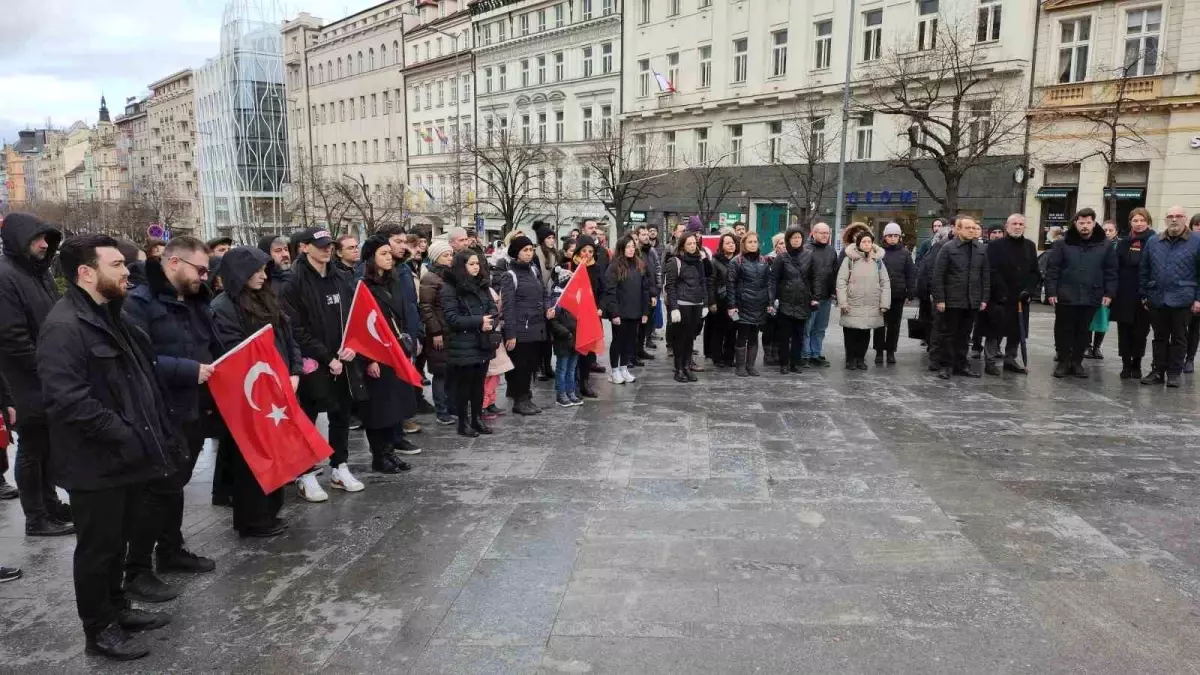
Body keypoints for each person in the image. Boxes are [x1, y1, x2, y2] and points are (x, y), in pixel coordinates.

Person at [40, 234, 177, 660]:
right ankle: (98, 630)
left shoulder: (108, 314)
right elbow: (69, 400)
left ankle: (117, 609)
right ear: (86, 272)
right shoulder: (65, 326)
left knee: (117, 542)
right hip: (95, 462)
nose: (126, 272)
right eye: (117, 265)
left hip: (125, 457)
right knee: (98, 550)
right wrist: (126, 433)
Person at [121, 236, 219, 604]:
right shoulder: (138, 304)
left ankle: (171, 549)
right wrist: (188, 369)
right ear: (174, 262)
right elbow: (138, 363)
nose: (205, 277)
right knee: (155, 492)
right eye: (200, 269)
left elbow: (211, 346)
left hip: (193, 409)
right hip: (158, 413)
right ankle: (137, 570)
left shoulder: (197, 302)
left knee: (176, 484)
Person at [211, 246, 300, 537]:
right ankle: (252, 519)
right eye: (257, 271)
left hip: (279, 386)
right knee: (251, 458)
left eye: (264, 270)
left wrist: (294, 369)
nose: (263, 276)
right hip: (251, 394)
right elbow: (234, 352)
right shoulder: (223, 307)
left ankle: (270, 512)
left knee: (274, 452)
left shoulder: (267, 298)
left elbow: (288, 337)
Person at [0, 213, 73, 536]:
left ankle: (50, 503)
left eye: (46, 238)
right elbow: (12, 337)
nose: (45, 245)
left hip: (45, 374)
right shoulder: (6, 276)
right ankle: (36, 516)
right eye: (36, 239)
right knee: (32, 448)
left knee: (46, 445)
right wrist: (47, 368)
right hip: (25, 379)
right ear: (20, 241)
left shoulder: (36, 273)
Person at [281, 228, 365, 502]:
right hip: (312, 362)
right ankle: (305, 473)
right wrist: (325, 356)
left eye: (329, 245)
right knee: (308, 416)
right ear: (305, 247)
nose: (327, 250)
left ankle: (339, 465)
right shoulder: (293, 281)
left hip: (343, 359)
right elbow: (295, 327)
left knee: (341, 413)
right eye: (320, 245)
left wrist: (353, 344)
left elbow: (354, 314)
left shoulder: (340, 277)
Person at [358, 236, 419, 468]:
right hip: (375, 353)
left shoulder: (393, 281)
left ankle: (390, 450)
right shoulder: (363, 285)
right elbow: (361, 325)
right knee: (378, 408)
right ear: (371, 258)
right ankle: (379, 455)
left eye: (389, 253)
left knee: (394, 404)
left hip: (396, 349)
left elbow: (402, 314)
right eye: (383, 254)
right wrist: (369, 358)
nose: (389, 258)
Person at [1044, 208, 1118, 379]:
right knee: (1063, 329)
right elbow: (1053, 270)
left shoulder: (1105, 245)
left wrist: (1109, 293)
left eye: (1088, 222)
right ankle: (1063, 362)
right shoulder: (1062, 244)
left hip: (1092, 294)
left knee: (1084, 331)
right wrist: (1051, 291)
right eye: (1081, 223)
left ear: (1094, 223)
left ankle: (1077, 362)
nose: (1085, 226)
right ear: (1075, 224)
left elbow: (1111, 271)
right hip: (1066, 295)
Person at [1139, 205, 1200, 388]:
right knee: (1159, 337)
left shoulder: (1196, 241)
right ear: (1165, 219)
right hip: (1157, 297)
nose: (1174, 219)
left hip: (1183, 298)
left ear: (1184, 218)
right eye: (1170, 216)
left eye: (1178, 216)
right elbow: (1144, 270)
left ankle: (1174, 373)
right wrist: (1144, 294)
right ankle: (1158, 371)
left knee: (1180, 338)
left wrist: (1198, 298)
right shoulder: (1154, 241)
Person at [441, 249, 498, 436]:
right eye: (471, 264)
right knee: (464, 386)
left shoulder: (482, 285)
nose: (476, 267)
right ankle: (463, 422)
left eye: (477, 264)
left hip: (482, 342)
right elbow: (452, 318)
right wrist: (479, 321)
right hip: (463, 344)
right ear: (461, 266)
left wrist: (491, 321)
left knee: (478, 384)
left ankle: (477, 418)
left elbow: (492, 308)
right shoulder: (450, 287)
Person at [932, 215, 990, 379]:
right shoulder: (948, 248)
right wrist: (940, 299)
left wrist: (984, 298)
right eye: (967, 228)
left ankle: (961, 365)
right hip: (951, 300)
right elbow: (938, 276)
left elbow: (985, 276)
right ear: (958, 229)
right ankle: (946, 366)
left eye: (974, 228)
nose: (971, 230)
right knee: (948, 334)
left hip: (972, 301)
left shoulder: (980, 249)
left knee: (964, 335)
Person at [498, 235, 550, 415]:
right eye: (525, 250)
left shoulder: (534, 271)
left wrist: (547, 308)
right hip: (520, 328)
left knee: (531, 365)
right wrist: (511, 333)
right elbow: (508, 307)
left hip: (536, 326)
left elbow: (543, 294)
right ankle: (519, 400)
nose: (529, 253)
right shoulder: (509, 275)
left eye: (531, 250)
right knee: (520, 366)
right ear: (516, 253)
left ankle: (526, 397)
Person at [982, 214, 1039, 376]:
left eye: (1021, 224)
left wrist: (1029, 290)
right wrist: (1002, 291)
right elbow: (992, 270)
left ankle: (1010, 359)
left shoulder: (1030, 246)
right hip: (1000, 296)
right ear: (1007, 226)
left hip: (1021, 297)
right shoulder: (995, 246)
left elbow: (1034, 272)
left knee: (1016, 331)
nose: (1017, 226)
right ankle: (990, 361)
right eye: (1014, 223)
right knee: (994, 330)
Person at [770, 225, 820, 374]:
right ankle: (784, 363)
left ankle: (795, 362)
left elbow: (815, 278)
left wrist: (815, 297)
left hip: (802, 300)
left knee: (799, 334)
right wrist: (772, 300)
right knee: (784, 335)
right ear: (788, 240)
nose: (796, 240)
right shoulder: (782, 257)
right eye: (793, 238)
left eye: (799, 238)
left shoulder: (810, 255)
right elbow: (773, 279)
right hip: (785, 300)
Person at [837, 231, 890, 370]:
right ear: (859, 244)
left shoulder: (878, 261)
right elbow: (841, 281)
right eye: (864, 242)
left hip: (871, 303)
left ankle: (861, 358)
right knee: (850, 333)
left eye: (869, 242)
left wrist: (884, 303)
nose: (867, 244)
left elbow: (885, 282)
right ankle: (850, 359)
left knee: (865, 333)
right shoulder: (849, 259)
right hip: (852, 302)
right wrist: (843, 302)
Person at [1113, 208, 1156, 379]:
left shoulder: (1154, 241)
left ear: (1148, 222)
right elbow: (1115, 267)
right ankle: (1125, 364)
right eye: (1135, 220)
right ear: (1130, 222)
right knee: (1124, 330)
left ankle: (1137, 364)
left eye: (1142, 220)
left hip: (1144, 293)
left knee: (1141, 332)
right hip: (1124, 293)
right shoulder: (1123, 243)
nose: (1139, 224)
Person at [603, 234, 652, 384]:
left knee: (630, 341)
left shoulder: (639, 264)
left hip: (635, 311)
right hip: (620, 312)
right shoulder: (615, 266)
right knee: (618, 341)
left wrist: (645, 311)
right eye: (628, 247)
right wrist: (614, 312)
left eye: (632, 246)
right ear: (621, 248)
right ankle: (614, 370)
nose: (631, 249)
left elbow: (645, 289)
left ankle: (624, 368)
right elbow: (610, 291)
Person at [665, 231, 709, 382]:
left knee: (690, 338)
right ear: (682, 245)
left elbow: (703, 282)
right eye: (689, 243)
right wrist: (674, 307)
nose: (692, 246)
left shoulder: (699, 261)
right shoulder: (674, 261)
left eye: (694, 243)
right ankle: (678, 369)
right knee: (680, 339)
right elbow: (670, 286)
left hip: (696, 304)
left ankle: (687, 367)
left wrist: (705, 303)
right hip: (682, 304)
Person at [420, 240, 456, 424]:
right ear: (436, 257)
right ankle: (442, 411)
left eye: (451, 254)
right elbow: (426, 307)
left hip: (452, 330)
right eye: (445, 255)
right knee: (441, 372)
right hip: (439, 333)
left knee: (451, 371)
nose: (450, 258)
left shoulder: (449, 276)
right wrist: (435, 332)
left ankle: (451, 406)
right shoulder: (430, 278)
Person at [558, 238, 598, 399]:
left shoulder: (596, 268)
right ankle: (571, 384)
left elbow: (600, 289)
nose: (587, 254)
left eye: (590, 251)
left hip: (590, 314)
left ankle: (584, 382)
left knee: (587, 351)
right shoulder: (568, 267)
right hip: (572, 315)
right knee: (572, 350)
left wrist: (600, 307)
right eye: (584, 251)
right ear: (578, 251)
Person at [726, 231, 770, 377]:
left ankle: (750, 366)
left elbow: (768, 283)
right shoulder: (736, 262)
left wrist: (769, 301)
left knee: (754, 336)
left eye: (755, 242)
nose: (753, 244)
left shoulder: (764, 261)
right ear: (744, 244)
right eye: (750, 242)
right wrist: (732, 306)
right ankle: (740, 366)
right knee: (742, 336)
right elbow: (730, 285)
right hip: (743, 304)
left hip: (759, 304)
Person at [874, 223, 917, 365]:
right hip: (880, 294)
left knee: (894, 325)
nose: (892, 238)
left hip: (898, 295)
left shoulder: (905, 253)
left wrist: (910, 294)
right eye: (890, 235)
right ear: (885, 237)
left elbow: (911, 274)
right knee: (879, 324)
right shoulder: (878, 252)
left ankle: (891, 351)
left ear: (899, 237)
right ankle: (879, 351)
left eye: (895, 236)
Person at [799, 223, 837, 368]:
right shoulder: (806, 250)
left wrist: (834, 291)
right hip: (810, 296)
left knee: (820, 328)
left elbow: (834, 272)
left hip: (826, 296)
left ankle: (816, 353)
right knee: (807, 328)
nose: (825, 236)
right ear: (813, 233)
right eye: (822, 233)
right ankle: (805, 355)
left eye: (827, 233)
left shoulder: (831, 251)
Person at [916, 225, 954, 369]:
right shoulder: (940, 249)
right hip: (939, 295)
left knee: (939, 327)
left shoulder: (936, 248)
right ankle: (938, 358)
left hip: (938, 294)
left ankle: (939, 356)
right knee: (939, 327)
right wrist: (934, 293)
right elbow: (933, 272)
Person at [1084, 220, 1121, 359]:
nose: (1107, 233)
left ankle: (1097, 346)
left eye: (1111, 230)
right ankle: (1087, 345)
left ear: (1116, 232)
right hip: (1092, 286)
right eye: (1105, 230)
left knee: (1103, 317)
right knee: (1088, 316)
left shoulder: (1118, 246)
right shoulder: (1095, 244)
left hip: (1108, 287)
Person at [548, 264, 583, 406]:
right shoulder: (557, 300)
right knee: (562, 368)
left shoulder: (576, 297)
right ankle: (561, 393)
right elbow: (554, 322)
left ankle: (571, 391)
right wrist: (567, 334)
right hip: (564, 339)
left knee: (572, 368)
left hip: (575, 338)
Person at [581, 219, 610, 374]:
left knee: (594, 332)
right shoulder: (577, 249)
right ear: (583, 229)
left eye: (595, 227)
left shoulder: (602, 251)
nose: (593, 230)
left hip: (596, 301)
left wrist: (602, 304)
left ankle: (592, 361)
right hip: (581, 303)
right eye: (590, 227)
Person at [705, 233, 738, 368]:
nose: (731, 245)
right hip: (720, 301)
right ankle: (717, 357)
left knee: (733, 330)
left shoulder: (739, 260)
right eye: (727, 243)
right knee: (718, 330)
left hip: (735, 302)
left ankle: (729, 358)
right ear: (722, 246)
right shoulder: (715, 261)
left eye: (732, 243)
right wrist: (711, 301)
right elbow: (711, 283)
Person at [534, 223, 558, 381]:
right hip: (538, 298)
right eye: (548, 238)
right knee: (540, 336)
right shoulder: (536, 254)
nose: (551, 241)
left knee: (549, 336)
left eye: (553, 238)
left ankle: (547, 366)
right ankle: (540, 367)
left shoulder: (554, 254)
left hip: (549, 296)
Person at [762, 232, 787, 366]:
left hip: (784, 297)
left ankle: (777, 352)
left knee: (780, 327)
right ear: (775, 246)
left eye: (785, 243)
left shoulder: (790, 259)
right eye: (781, 243)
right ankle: (768, 353)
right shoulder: (767, 259)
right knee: (769, 327)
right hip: (770, 297)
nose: (784, 246)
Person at [1184, 213, 1200, 372]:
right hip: (1184, 291)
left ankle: (1189, 358)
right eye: (1197, 224)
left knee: (1195, 328)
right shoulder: (1186, 242)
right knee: (1179, 329)